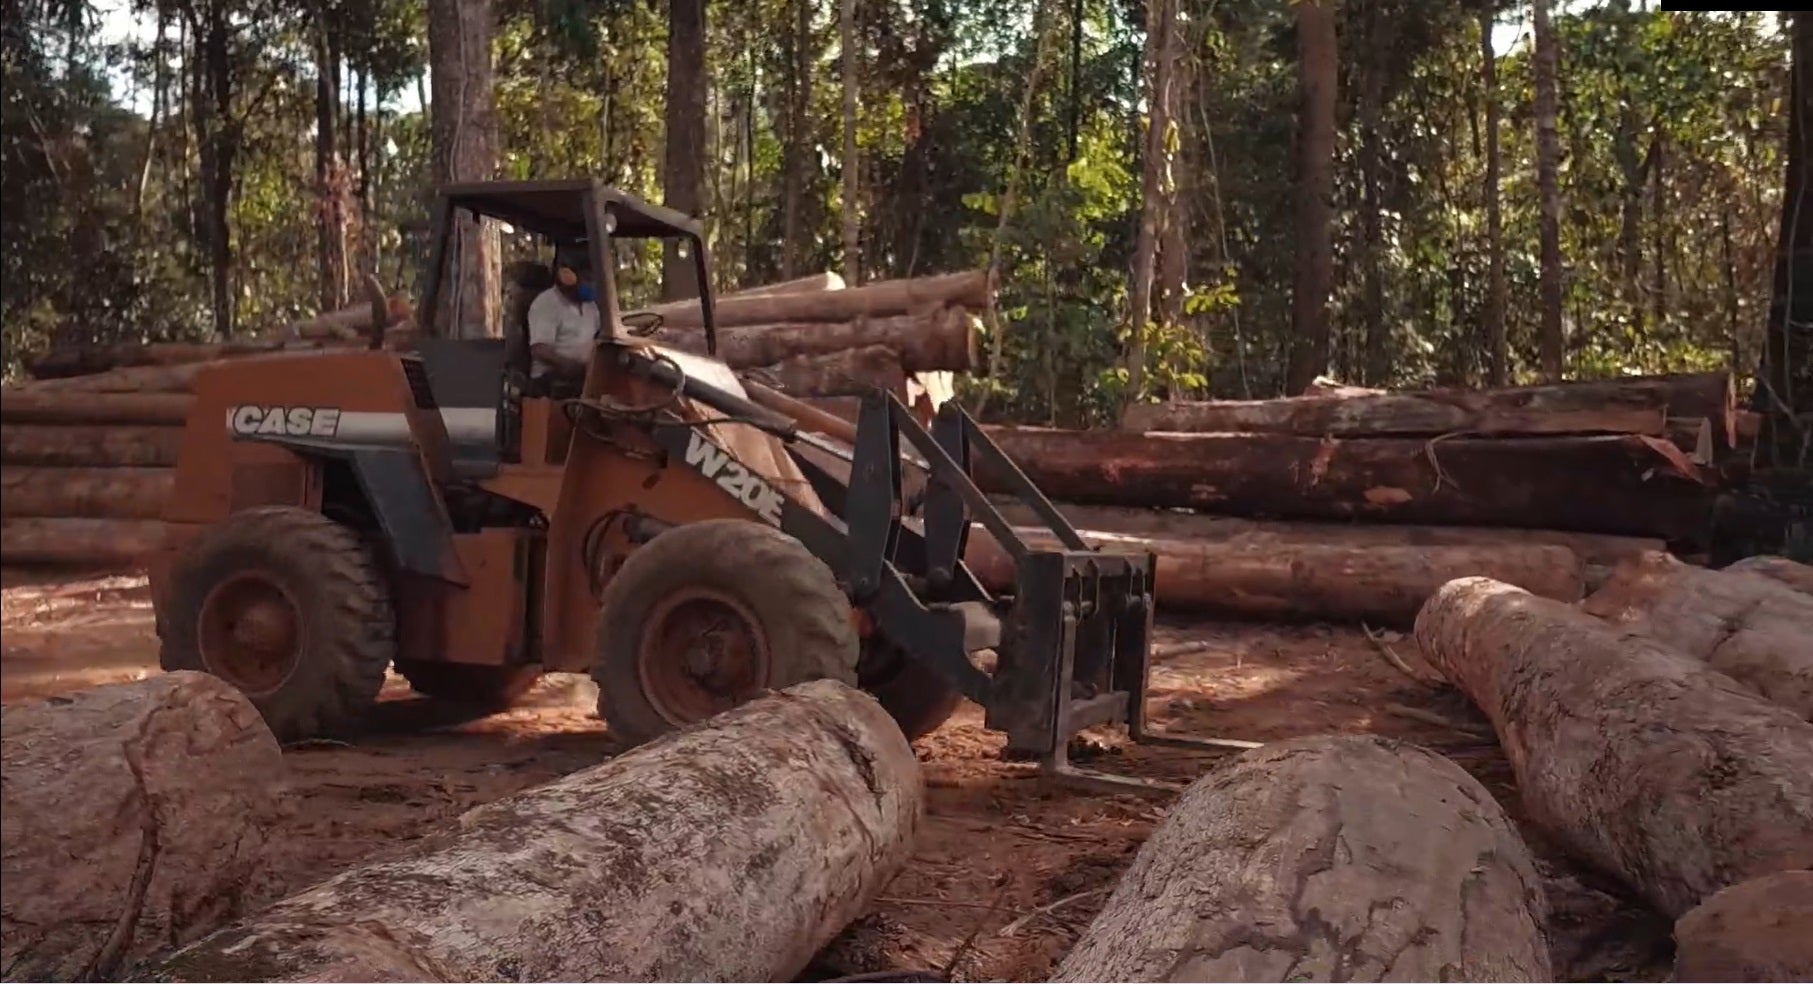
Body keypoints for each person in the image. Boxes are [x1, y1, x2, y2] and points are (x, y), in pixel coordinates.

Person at [525, 244, 599, 395]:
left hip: (585, 375)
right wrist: (568, 365)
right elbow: (539, 349)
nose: (591, 284)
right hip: (550, 379)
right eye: (587, 278)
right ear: (567, 276)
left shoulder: (591, 306)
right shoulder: (546, 303)